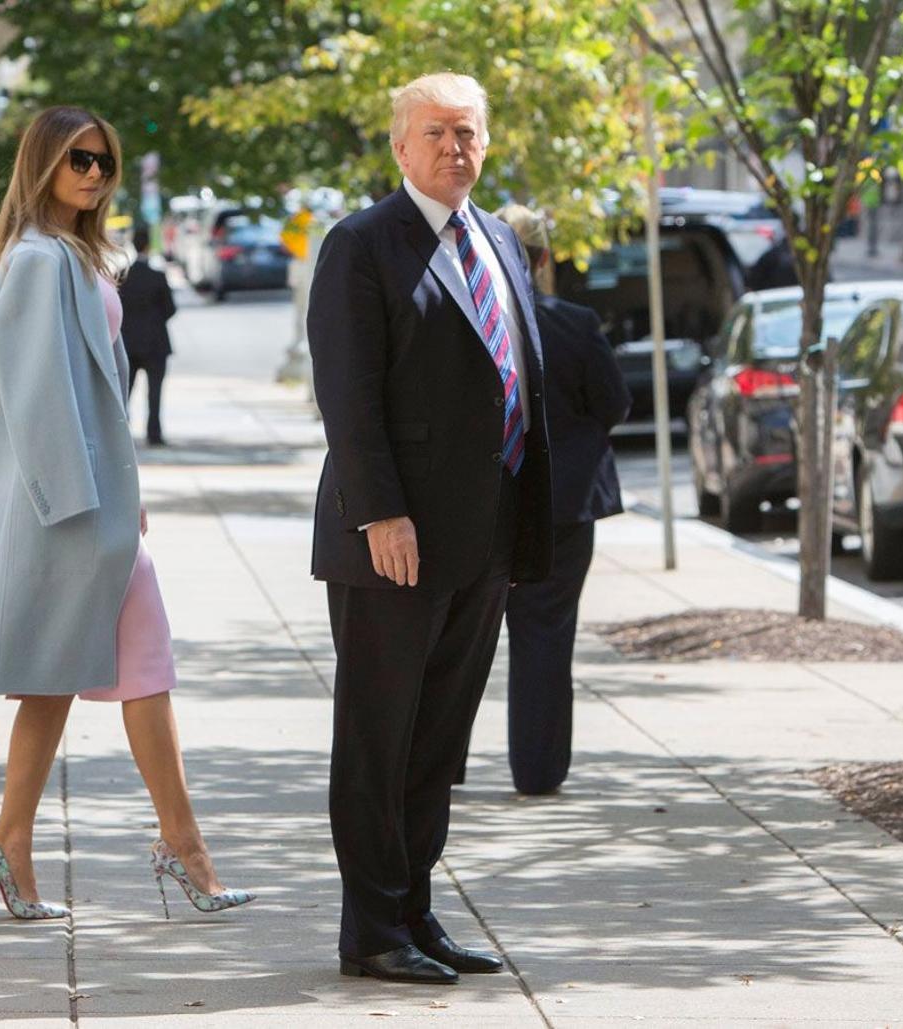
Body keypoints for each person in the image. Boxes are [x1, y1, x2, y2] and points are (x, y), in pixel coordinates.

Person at [0, 105, 252, 921]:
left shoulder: (71, 254)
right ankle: (177, 848)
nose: (95, 174)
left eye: (103, 162)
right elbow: (37, 398)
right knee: (99, 671)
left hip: (100, 508)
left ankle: (20, 842)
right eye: (78, 161)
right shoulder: (34, 260)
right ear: (44, 164)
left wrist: (123, 501)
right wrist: (87, 511)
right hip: (74, 513)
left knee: (112, 672)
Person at [307, 73, 553, 985]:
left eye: (470, 131)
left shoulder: (497, 238)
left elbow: (509, 372)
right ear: (401, 147)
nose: (456, 147)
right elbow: (348, 394)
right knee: (379, 739)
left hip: (482, 534)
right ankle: (370, 929)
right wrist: (381, 512)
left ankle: (414, 909)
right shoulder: (363, 245)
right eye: (437, 132)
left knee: (438, 740)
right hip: (393, 540)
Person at [494, 204, 631, 795]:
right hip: (563, 506)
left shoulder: (470, 324)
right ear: (545, 258)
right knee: (546, 635)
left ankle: (438, 769)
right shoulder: (574, 323)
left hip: (483, 503)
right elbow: (615, 404)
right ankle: (538, 770)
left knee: (455, 639)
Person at [119, 225, 176, 446]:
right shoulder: (158, 277)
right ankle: (154, 433)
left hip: (128, 343)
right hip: (155, 343)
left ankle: (122, 433)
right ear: (149, 246)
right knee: (155, 392)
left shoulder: (122, 276)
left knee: (125, 392)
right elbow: (170, 309)